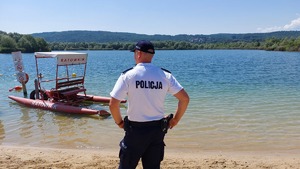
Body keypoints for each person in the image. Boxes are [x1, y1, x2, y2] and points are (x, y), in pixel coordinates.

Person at [109, 40, 189, 169]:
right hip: (157, 130)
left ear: (139, 53)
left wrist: (119, 122)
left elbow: (113, 104)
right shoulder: (165, 75)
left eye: (135, 53)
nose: (134, 55)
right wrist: (175, 120)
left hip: (135, 131)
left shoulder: (128, 75)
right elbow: (184, 99)